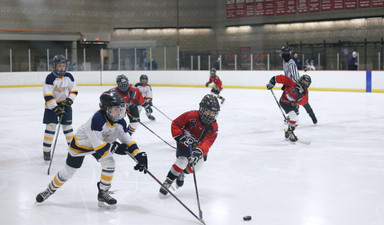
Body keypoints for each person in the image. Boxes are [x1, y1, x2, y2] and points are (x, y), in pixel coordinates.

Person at [35, 90, 148, 209]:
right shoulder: (97, 121)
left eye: (120, 108)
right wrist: (117, 148)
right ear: (106, 108)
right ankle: (49, 190)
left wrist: (139, 154)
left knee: (109, 164)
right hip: (80, 147)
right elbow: (100, 148)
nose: (119, 112)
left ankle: (103, 193)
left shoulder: (119, 121)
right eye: (116, 109)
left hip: (99, 145)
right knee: (68, 172)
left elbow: (127, 139)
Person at [159, 94, 220, 196]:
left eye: (212, 113)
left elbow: (208, 142)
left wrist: (199, 152)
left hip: (198, 148)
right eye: (208, 111)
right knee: (182, 161)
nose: (210, 115)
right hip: (184, 144)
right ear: (201, 108)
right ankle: (168, 181)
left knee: (198, 165)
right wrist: (181, 136)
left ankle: (182, 173)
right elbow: (175, 124)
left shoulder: (213, 127)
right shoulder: (191, 116)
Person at [42, 55, 78, 162]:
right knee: (50, 128)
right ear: (55, 66)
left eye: (63, 66)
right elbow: (47, 95)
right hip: (51, 108)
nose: (62, 68)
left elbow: (74, 90)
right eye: (59, 66)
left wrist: (69, 100)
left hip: (65, 106)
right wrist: (55, 108)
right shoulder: (50, 78)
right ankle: (46, 151)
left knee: (67, 128)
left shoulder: (69, 76)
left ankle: (72, 151)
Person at [266, 74, 312, 142]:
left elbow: (304, 102)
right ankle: (290, 133)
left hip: (293, 106)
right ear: (300, 80)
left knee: (297, 122)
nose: (304, 84)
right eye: (303, 82)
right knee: (294, 118)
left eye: (306, 83)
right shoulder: (291, 83)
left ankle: (288, 132)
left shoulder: (305, 92)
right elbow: (281, 78)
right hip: (284, 102)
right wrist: (272, 82)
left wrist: (300, 96)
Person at [281, 46, 317, 124]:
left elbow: (296, 77)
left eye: (284, 52)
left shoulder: (291, 63)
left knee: (304, 103)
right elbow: (287, 74)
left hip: (295, 85)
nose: (283, 54)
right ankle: (293, 117)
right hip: (289, 85)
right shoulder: (284, 61)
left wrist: (299, 87)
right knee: (290, 101)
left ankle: (313, 117)